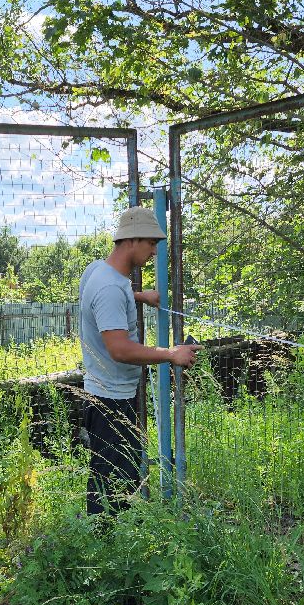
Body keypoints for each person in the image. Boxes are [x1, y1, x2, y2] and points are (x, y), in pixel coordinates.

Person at [79, 206, 200, 515]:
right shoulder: (109, 287)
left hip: (102, 390)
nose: (153, 251)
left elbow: (105, 300)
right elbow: (119, 348)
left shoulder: (98, 271)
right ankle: (104, 551)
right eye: (151, 243)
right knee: (113, 487)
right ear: (132, 240)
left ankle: (105, 543)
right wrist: (171, 354)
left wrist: (139, 296)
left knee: (112, 479)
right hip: (111, 401)